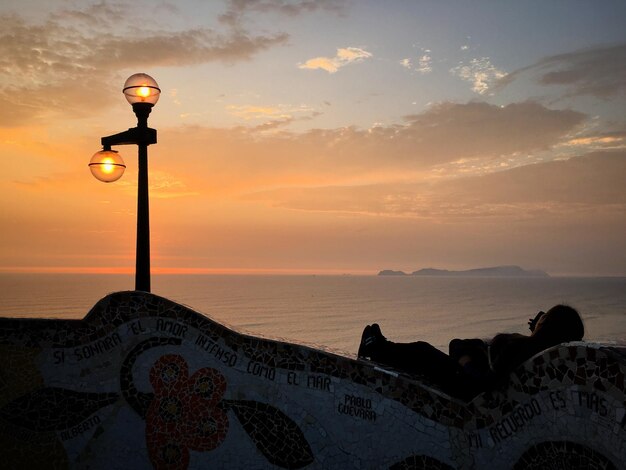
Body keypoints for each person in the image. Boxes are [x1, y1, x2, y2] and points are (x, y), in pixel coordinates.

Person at [357, 304, 584, 399]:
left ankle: (375, 348)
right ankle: (379, 346)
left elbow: (487, 382)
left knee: (423, 351)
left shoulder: (523, 349)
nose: (539, 316)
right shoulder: (541, 353)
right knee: (448, 347)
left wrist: (465, 363)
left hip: (468, 387)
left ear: (547, 326)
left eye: (544, 317)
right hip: (474, 378)